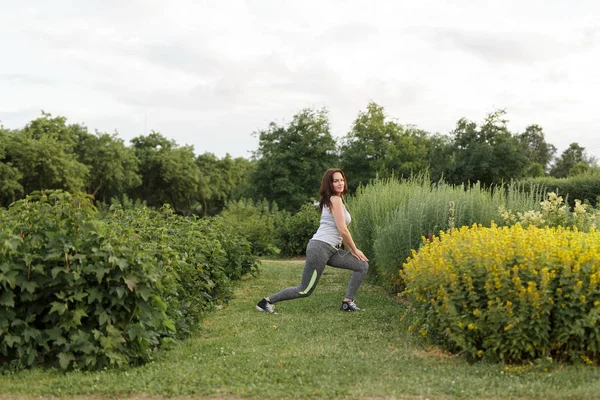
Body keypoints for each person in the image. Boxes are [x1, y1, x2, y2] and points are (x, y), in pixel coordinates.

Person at [256, 168, 369, 313]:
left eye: (342, 180)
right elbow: (343, 229)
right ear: (330, 184)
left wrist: (351, 251)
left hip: (332, 249)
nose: (340, 183)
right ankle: (265, 302)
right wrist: (354, 249)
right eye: (336, 181)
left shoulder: (334, 200)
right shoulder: (335, 199)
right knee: (305, 290)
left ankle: (348, 302)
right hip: (320, 248)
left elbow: (340, 233)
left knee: (361, 265)